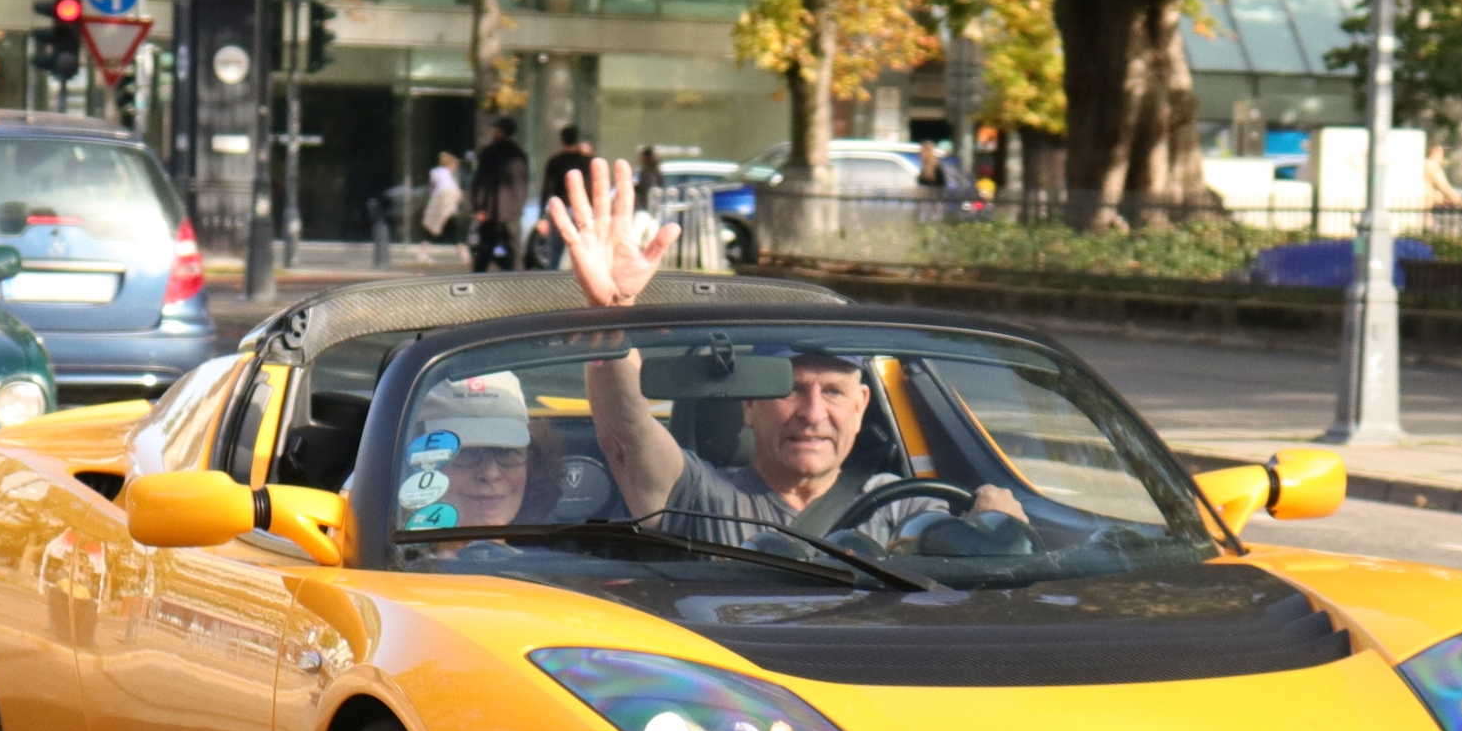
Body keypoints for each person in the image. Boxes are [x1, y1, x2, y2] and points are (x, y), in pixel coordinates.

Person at [558, 157, 1026, 550]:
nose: (813, 413)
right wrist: (612, 313)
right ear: (749, 405)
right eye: (792, 388)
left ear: (862, 408)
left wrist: (996, 532)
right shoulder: (705, 496)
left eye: (835, 392)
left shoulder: (906, 506)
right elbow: (627, 433)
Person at [398, 370, 563, 544]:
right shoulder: (377, 562)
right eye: (465, 452)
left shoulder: (560, 563)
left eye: (507, 451)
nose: (490, 474)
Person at [528, 126, 593, 269]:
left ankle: (553, 283)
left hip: (560, 209)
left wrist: (541, 217)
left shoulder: (555, 162)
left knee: (555, 252)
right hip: (581, 209)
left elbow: (547, 189)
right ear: (577, 140)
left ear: (562, 140)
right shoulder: (586, 162)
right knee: (584, 251)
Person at [469, 117, 529, 273]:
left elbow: (481, 182)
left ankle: (477, 286)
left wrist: (479, 207)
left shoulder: (489, 153)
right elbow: (523, 184)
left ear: (501, 131)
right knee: (515, 253)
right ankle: (518, 286)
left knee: (484, 253)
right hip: (511, 212)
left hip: (491, 212)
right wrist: (518, 206)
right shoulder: (519, 155)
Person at [420, 152, 467, 263]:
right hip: (445, 200)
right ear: (450, 164)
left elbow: (433, 189)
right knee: (452, 227)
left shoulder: (436, 173)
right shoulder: (447, 175)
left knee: (431, 226)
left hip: (440, 201)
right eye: (455, 165)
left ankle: (424, 253)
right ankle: (463, 253)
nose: (457, 167)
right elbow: (452, 191)